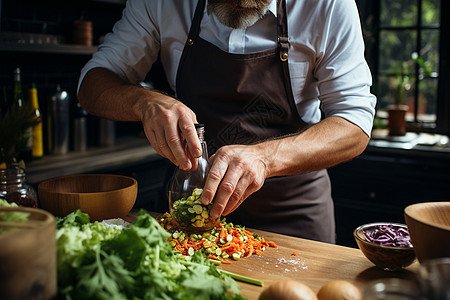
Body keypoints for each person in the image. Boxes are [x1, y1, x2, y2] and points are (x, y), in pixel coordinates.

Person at [77, 0, 376, 243]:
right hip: (191, 212)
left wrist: (265, 159)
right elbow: (92, 84)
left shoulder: (328, 5)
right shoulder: (161, 3)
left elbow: (355, 123)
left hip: (294, 216)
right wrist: (143, 101)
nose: (242, 2)